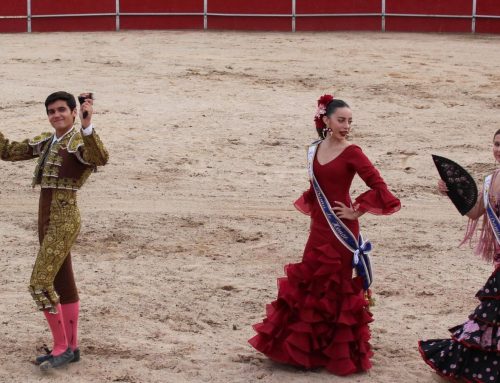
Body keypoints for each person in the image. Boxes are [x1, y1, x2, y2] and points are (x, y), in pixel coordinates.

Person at [248, 94, 401, 375]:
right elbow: (316, 187)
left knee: (336, 285)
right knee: (311, 278)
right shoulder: (314, 148)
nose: (346, 125)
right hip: (319, 225)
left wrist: (358, 210)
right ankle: (304, 349)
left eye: (350, 121)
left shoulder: (353, 151)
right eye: (341, 120)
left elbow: (379, 186)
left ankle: (336, 352)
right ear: (326, 120)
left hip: (341, 229)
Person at [0, 91, 108, 370]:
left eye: (62, 109)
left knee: (39, 283)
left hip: (64, 218)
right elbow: (8, 151)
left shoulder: (79, 141)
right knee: (63, 283)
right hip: (45, 217)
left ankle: (62, 347)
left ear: (74, 112)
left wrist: (87, 126)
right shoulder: (48, 141)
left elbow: (100, 157)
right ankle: (72, 347)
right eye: (51, 111)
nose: (56, 115)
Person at [419, 129, 500, 382]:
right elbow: (475, 213)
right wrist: (451, 191)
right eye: (496, 144)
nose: (499, 149)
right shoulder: (490, 180)